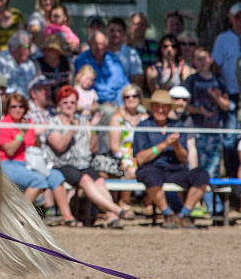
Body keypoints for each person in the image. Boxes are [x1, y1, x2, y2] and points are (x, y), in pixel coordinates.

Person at [44, 85, 124, 228]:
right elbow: (59, 147)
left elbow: (93, 148)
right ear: (59, 105)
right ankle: (116, 209)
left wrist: (92, 130)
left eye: (72, 102)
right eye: (65, 102)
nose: (69, 106)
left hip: (84, 164)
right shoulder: (53, 123)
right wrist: (70, 131)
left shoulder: (83, 121)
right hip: (63, 164)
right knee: (86, 180)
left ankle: (112, 217)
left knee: (99, 181)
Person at [133, 90, 210, 229]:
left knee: (202, 175)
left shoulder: (178, 125)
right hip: (152, 167)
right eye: (157, 106)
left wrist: (176, 146)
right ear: (152, 107)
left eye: (165, 107)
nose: (161, 110)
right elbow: (140, 158)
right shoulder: (143, 126)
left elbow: (183, 159)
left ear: (169, 109)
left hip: (175, 168)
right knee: (151, 176)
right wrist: (164, 145)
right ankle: (167, 214)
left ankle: (184, 214)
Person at [0, 93, 71, 220]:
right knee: (38, 181)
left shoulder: (28, 122)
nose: (18, 109)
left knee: (57, 177)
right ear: (7, 108)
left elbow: (34, 147)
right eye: (13, 106)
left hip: (28, 164)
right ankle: (18, 218)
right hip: (8, 164)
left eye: (21, 106)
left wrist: (37, 136)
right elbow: (9, 151)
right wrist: (22, 133)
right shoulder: (4, 124)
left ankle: (68, 217)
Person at [182, 46, 230, 214]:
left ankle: (213, 207)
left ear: (211, 60)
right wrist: (198, 110)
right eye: (198, 59)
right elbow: (183, 106)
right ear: (194, 61)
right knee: (198, 170)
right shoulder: (191, 81)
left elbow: (227, 105)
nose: (202, 62)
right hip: (196, 132)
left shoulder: (219, 81)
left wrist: (217, 98)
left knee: (213, 170)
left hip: (215, 132)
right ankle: (202, 205)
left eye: (205, 58)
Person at [212, 2, 241, 179]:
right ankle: (231, 179)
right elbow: (216, 66)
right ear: (230, 19)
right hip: (232, 95)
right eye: (237, 17)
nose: (240, 21)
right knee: (230, 139)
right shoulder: (223, 39)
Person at [107, 84, 146, 218]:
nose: (131, 99)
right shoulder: (117, 119)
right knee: (131, 168)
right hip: (122, 157)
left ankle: (148, 202)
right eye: (127, 96)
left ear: (139, 98)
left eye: (134, 96)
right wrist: (132, 156)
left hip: (142, 155)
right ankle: (125, 202)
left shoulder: (145, 118)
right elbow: (114, 147)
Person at [73, 31, 129, 106]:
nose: (98, 47)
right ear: (89, 44)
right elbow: (82, 85)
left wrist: (121, 105)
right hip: (94, 104)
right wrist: (102, 102)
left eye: (101, 44)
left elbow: (123, 85)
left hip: (117, 102)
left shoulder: (114, 60)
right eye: (95, 44)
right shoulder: (82, 60)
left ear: (106, 45)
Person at [0, 31, 38, 95]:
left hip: (26, 103)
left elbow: (34, 87)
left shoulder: (30, 64)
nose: (30, 50)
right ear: (18, 47)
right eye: (28, 46)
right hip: (5, 101)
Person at [106, 18, 144, 87]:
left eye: (118, 31)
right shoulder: (100, 52)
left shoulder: (132, 54)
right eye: (112, 30)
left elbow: (137, 81)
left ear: (124, 34)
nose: (115, 34)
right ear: (107, 32)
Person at [34, 34, 72, 103]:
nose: (46, 53)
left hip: (65, 101)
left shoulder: (67, 64)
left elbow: (72, 83)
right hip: (46, 102)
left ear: (58, 52)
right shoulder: (38, 64)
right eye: (45, 50)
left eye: (50, 50)